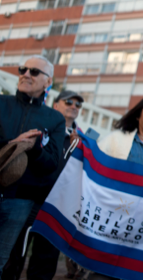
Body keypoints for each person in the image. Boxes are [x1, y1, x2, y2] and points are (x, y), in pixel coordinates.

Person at [2, 90, 84, 280]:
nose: (73, 106)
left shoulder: (84, 141)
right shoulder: (41, 128)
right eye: (68, 102)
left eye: (78, 104)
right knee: (14, 257)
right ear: (55, 105)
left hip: (58, 208)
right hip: (31, 200)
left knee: (45, 262)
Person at [0, 56, 65, 277]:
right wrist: (15, 143)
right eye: (23, 69)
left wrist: (35, 147)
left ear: (48, 82)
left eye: (34, 72)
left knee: (2, 261)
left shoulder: (55, 118)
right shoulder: (1, 103)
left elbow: (51, 164)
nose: (26, 74)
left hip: (21, 201)